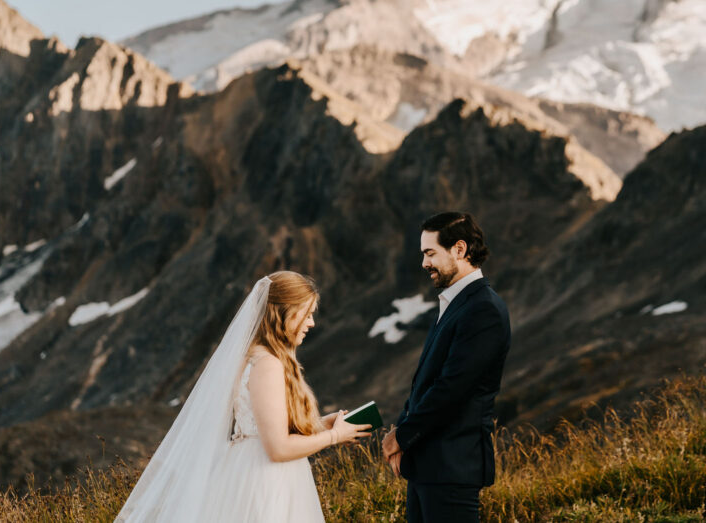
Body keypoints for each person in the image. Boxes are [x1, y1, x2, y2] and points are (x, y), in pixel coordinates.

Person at [117, 271, 371, 522]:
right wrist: (335, 436)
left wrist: (322, 424)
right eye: (307, 313)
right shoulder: (267, 364)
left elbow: (269, 428)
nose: (311, 322)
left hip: (259, 471)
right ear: (284, 312)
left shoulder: (260, 357)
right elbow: (278, 448)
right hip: (265, 481)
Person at [382, 212, 511, 522]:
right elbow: (425, 382)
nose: (424, 263)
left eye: (430, 253)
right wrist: (403, 432)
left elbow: (452, 389)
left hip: (452, 467)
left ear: (459, 249)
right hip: (428, 466)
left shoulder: (483, 310)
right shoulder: (458, 303)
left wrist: (401, 437)